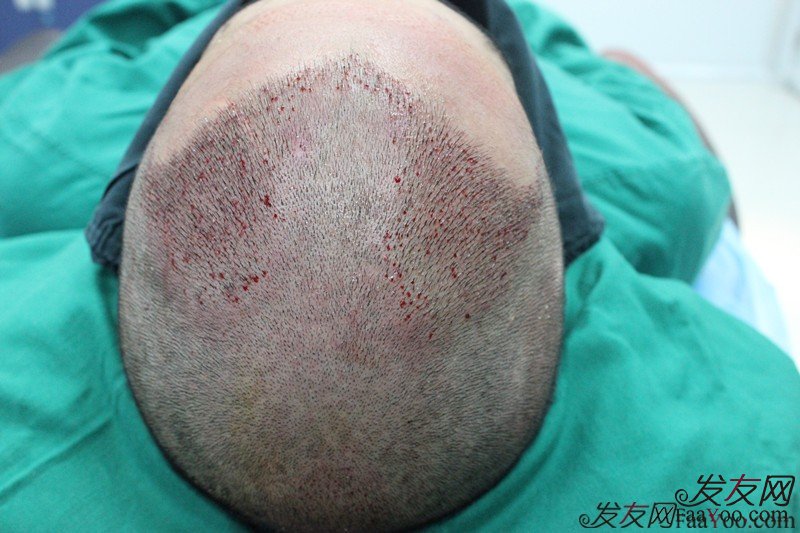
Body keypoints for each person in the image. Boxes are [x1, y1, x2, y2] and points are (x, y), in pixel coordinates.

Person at [0, 0, 797, 531]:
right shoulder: (755, 441)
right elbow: (647, 121)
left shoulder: (38, 160)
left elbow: (94, 43)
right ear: (567, 276)